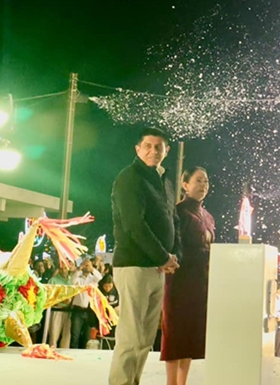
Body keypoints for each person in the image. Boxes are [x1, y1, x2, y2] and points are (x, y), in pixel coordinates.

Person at [109, 129, 180, 385]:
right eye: (148, 146)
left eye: (159, 147)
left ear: (166, 151)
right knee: (130, 337)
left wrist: (174, 255)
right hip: (134, 264)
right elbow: (133, 225)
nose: (153, 151)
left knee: (145, 340)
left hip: (158, 268)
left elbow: (174, 221)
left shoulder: (165, 181)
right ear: (137, 149)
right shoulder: (129, 178)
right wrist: (163, 256)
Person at [161, 166, 215, 385]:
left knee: (190, 337)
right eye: (198, 181)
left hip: (200, 283)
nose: (203, 185)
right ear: (185, 185)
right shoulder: (178, 212)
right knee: (175, 335)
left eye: (206, 181)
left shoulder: (208, 216)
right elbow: (172, 244)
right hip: (180, 281)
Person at [70, 256, 103, 349]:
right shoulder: (78, 278)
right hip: (77, 309)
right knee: (75, 335)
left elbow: (100, 278)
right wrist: (79, 268)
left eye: (88, 265)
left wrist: (92, 268)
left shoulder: (93, 279)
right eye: (85, 265)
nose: (87, 266)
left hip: (89, 311)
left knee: (87, 336)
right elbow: (72, 282)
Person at [43, 258, 73, 348]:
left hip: (69, 310)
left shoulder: (71, 279)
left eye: (65, 268)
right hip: (57, 309)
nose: (64, 270)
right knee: (54, 334)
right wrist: (60, 300)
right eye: (62, 268)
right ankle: (52, 351)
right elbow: (48, 296)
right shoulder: (53, 280)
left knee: (67, 336)